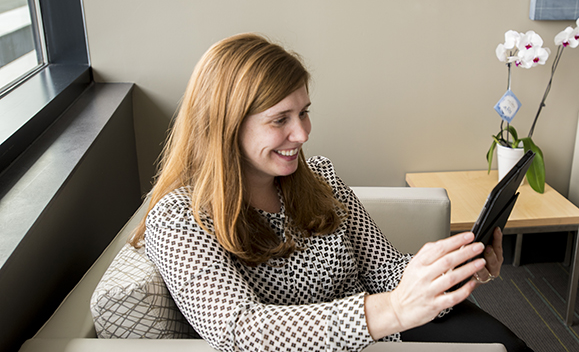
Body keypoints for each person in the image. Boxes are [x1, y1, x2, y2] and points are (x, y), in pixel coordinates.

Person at [130, 33, 531, 352]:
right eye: (279, 120)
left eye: (304, 112)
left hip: (385, 332)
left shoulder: (317, 178)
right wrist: (391, 309)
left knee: (507, 345)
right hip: (352, 337)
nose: (301, 133)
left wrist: (451, 270)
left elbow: (385, 270)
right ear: (225, 125)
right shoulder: (180, 217)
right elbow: (241, 330)